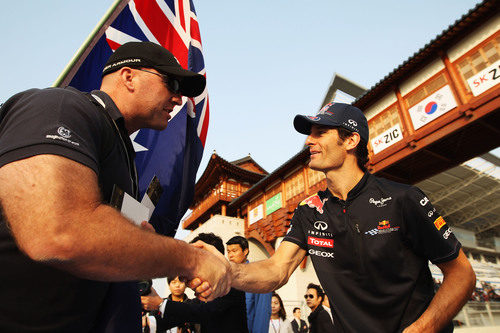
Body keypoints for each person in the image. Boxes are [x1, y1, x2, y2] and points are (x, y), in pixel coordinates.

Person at [0, 41, 231, 333]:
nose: (178, 98)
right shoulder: (61, 107)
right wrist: (191, 259)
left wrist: (142, 242)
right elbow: (59, 231)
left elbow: (108, 243)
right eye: (171, 83)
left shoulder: (125, 158)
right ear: (128, 76)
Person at [205, 102, 476, 332]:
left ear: (351, 140)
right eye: (310, 134)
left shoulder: (403, 199)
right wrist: (228, 270)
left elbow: (462, 274)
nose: (309, 141)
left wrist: (421, 329)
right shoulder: (308, 211)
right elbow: (277, 270)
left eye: (320, 133)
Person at [150, 233, 248, 333]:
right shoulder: (205, 289)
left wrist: (160, 304)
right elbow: (186, 313)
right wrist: (151, 323)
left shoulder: (231, 284)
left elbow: (201, 311)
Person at [227, 235, 272, 333]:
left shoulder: (259, 276)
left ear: (245, 251)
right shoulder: (226, 278)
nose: (230, 255)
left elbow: (262, 314)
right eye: (228, 251)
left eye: (234, 251)